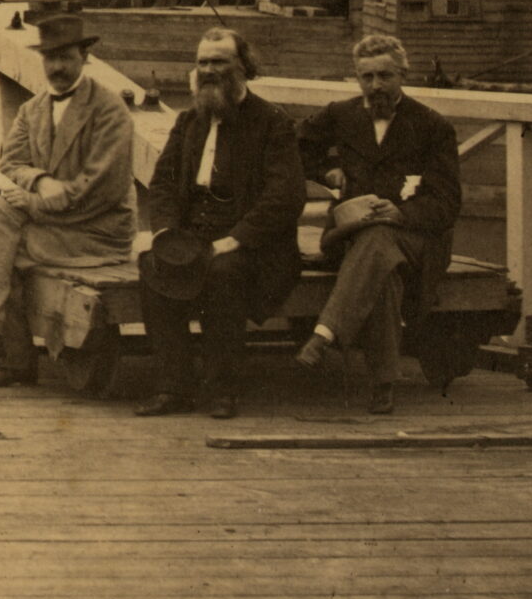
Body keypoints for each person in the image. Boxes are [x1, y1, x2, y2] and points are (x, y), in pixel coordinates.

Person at [0, 9, 135, 387]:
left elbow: (102, 186)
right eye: (51, 58)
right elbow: (10, 162)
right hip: (52, 224)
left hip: (96, 230)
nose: (58, 67)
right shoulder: (33, 109)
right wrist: (39, 179)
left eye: (67, 58)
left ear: (84, 58)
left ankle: (7, 353)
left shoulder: (109, 110)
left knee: (3, 250)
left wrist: (36, 202)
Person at [135, 26, 304, 419]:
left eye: (220, 62)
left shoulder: (273, 123)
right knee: (152, 265)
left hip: (257, 244)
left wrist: (238, 238)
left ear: (243, 67)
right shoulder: (189, 121)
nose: (209, 70)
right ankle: (172, 386)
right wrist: (163, 230)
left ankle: (222, 388)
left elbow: (285, 197)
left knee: (223, 273)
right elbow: (161, 183)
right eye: (203, 62)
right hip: (194, 232)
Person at [293, 34, 462, 414]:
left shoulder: (433, 126)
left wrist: (403, 213)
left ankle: (324, 335)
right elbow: (294, 145)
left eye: (385, 76)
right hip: (353, 236)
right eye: (366, 77)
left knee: (382, 239)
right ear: (356, 77)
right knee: (381, 263)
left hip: (418, 239)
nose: (375, 86)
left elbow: (447, 202)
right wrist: (325, 171)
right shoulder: (341, 114)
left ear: (403, 74)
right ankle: (381, 380)